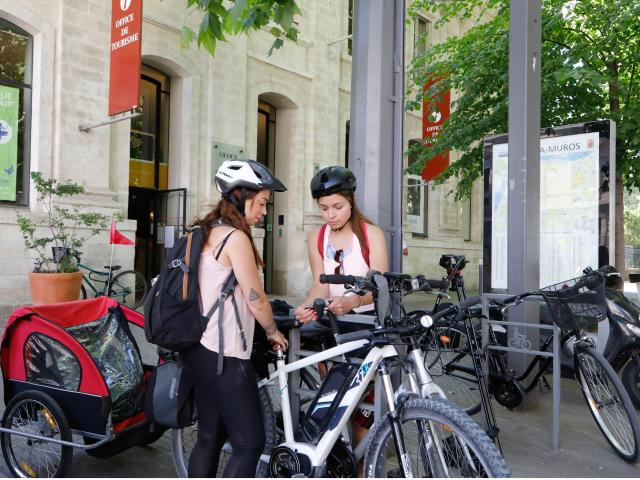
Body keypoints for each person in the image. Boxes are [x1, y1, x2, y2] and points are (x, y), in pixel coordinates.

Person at [182, 160, 288, 478]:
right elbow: (256, 300)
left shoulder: (204, 232)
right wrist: (272, 330)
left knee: (209, 438)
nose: (265, 211)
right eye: (263, 202)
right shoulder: (235, 239)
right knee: (250, 444)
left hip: (198, 349)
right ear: (241, 195)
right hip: (224, 354)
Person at [294, 165, 388, 447]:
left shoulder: (371, 234)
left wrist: (354, 301)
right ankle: (335, 455)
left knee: (361, 405)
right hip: (332, 326)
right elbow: (319, 285)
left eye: (337, 207)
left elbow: (379, 286)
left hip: (366, 323)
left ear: (352, 202)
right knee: (335, 396)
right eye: (324, 208)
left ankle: (360, 465)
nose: (331, 215)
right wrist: (306, 306)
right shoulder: (317, 238)